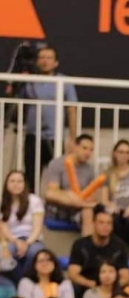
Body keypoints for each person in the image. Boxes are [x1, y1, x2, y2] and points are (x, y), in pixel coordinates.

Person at [22, 46, 78, 191]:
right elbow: (17, 105)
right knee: (30, 176)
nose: (45, 61)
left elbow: (72, 110)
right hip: (33, 136)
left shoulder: (64, 81)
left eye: (49, 58)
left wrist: (73, 139)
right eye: (41, 58)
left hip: (55, 137)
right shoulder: (29, 81)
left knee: (58, 177)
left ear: (56, 62)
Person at [66, 206, 129, 298]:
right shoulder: (80, 245)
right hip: (87, 285)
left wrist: (110, 287)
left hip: (111, 286)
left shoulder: (119, 246)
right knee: (71, 287)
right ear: (93, 224)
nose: (105, 226)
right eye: (101, 222)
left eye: (109, 223)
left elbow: (125, 276)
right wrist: (91, 285)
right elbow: (73, 274)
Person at [98, 140, 129, 258]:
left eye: (127, 152)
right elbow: (104, 199)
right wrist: (112, 206)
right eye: (121, 152)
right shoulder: (107, 173)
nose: (124, 155)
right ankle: (119, 254)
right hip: (113, 210)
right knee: (113, 222)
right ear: (115, 153)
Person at [42, 135, 96, 236]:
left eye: (91, 150)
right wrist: (72, 198)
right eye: (84, 148)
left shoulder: (89, 169)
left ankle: (89, 244)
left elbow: (92, 195)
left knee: (90, 211)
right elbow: (52, 192)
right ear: (75, 147)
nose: (88, 153)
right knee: (52, 194)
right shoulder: (57, 164)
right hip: (60, 208)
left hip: (81, 209)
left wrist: (84, 201)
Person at [0, 170, 44, 280]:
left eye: (20, 181)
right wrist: (16, 241)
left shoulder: (34, 200)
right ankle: (16, 284)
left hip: (32, 239)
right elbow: (4, 228)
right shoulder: (3, 203)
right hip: (12, 239)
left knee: (34, 252)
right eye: (12, 181)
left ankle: (26, 281)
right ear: (6, 184)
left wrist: (27, 243)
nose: (16, 184)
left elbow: (37, 228)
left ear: (24, 184)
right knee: (5, 253)